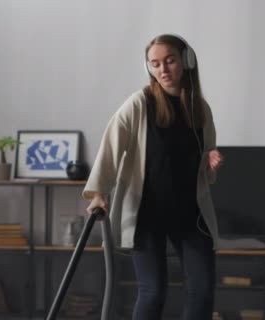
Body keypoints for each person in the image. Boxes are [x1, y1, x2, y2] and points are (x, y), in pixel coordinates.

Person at [82, 34, 223, 320]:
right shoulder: (139, 103)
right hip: (147, 215)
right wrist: (99, 192)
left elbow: (205, 166)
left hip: (190, 215)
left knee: (203, 289)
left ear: (186, 62)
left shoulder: (200, 109)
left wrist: (210, 164)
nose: (163, 70)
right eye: (155, 64)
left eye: (170, 61)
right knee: (153, 291)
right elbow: (112, 144)